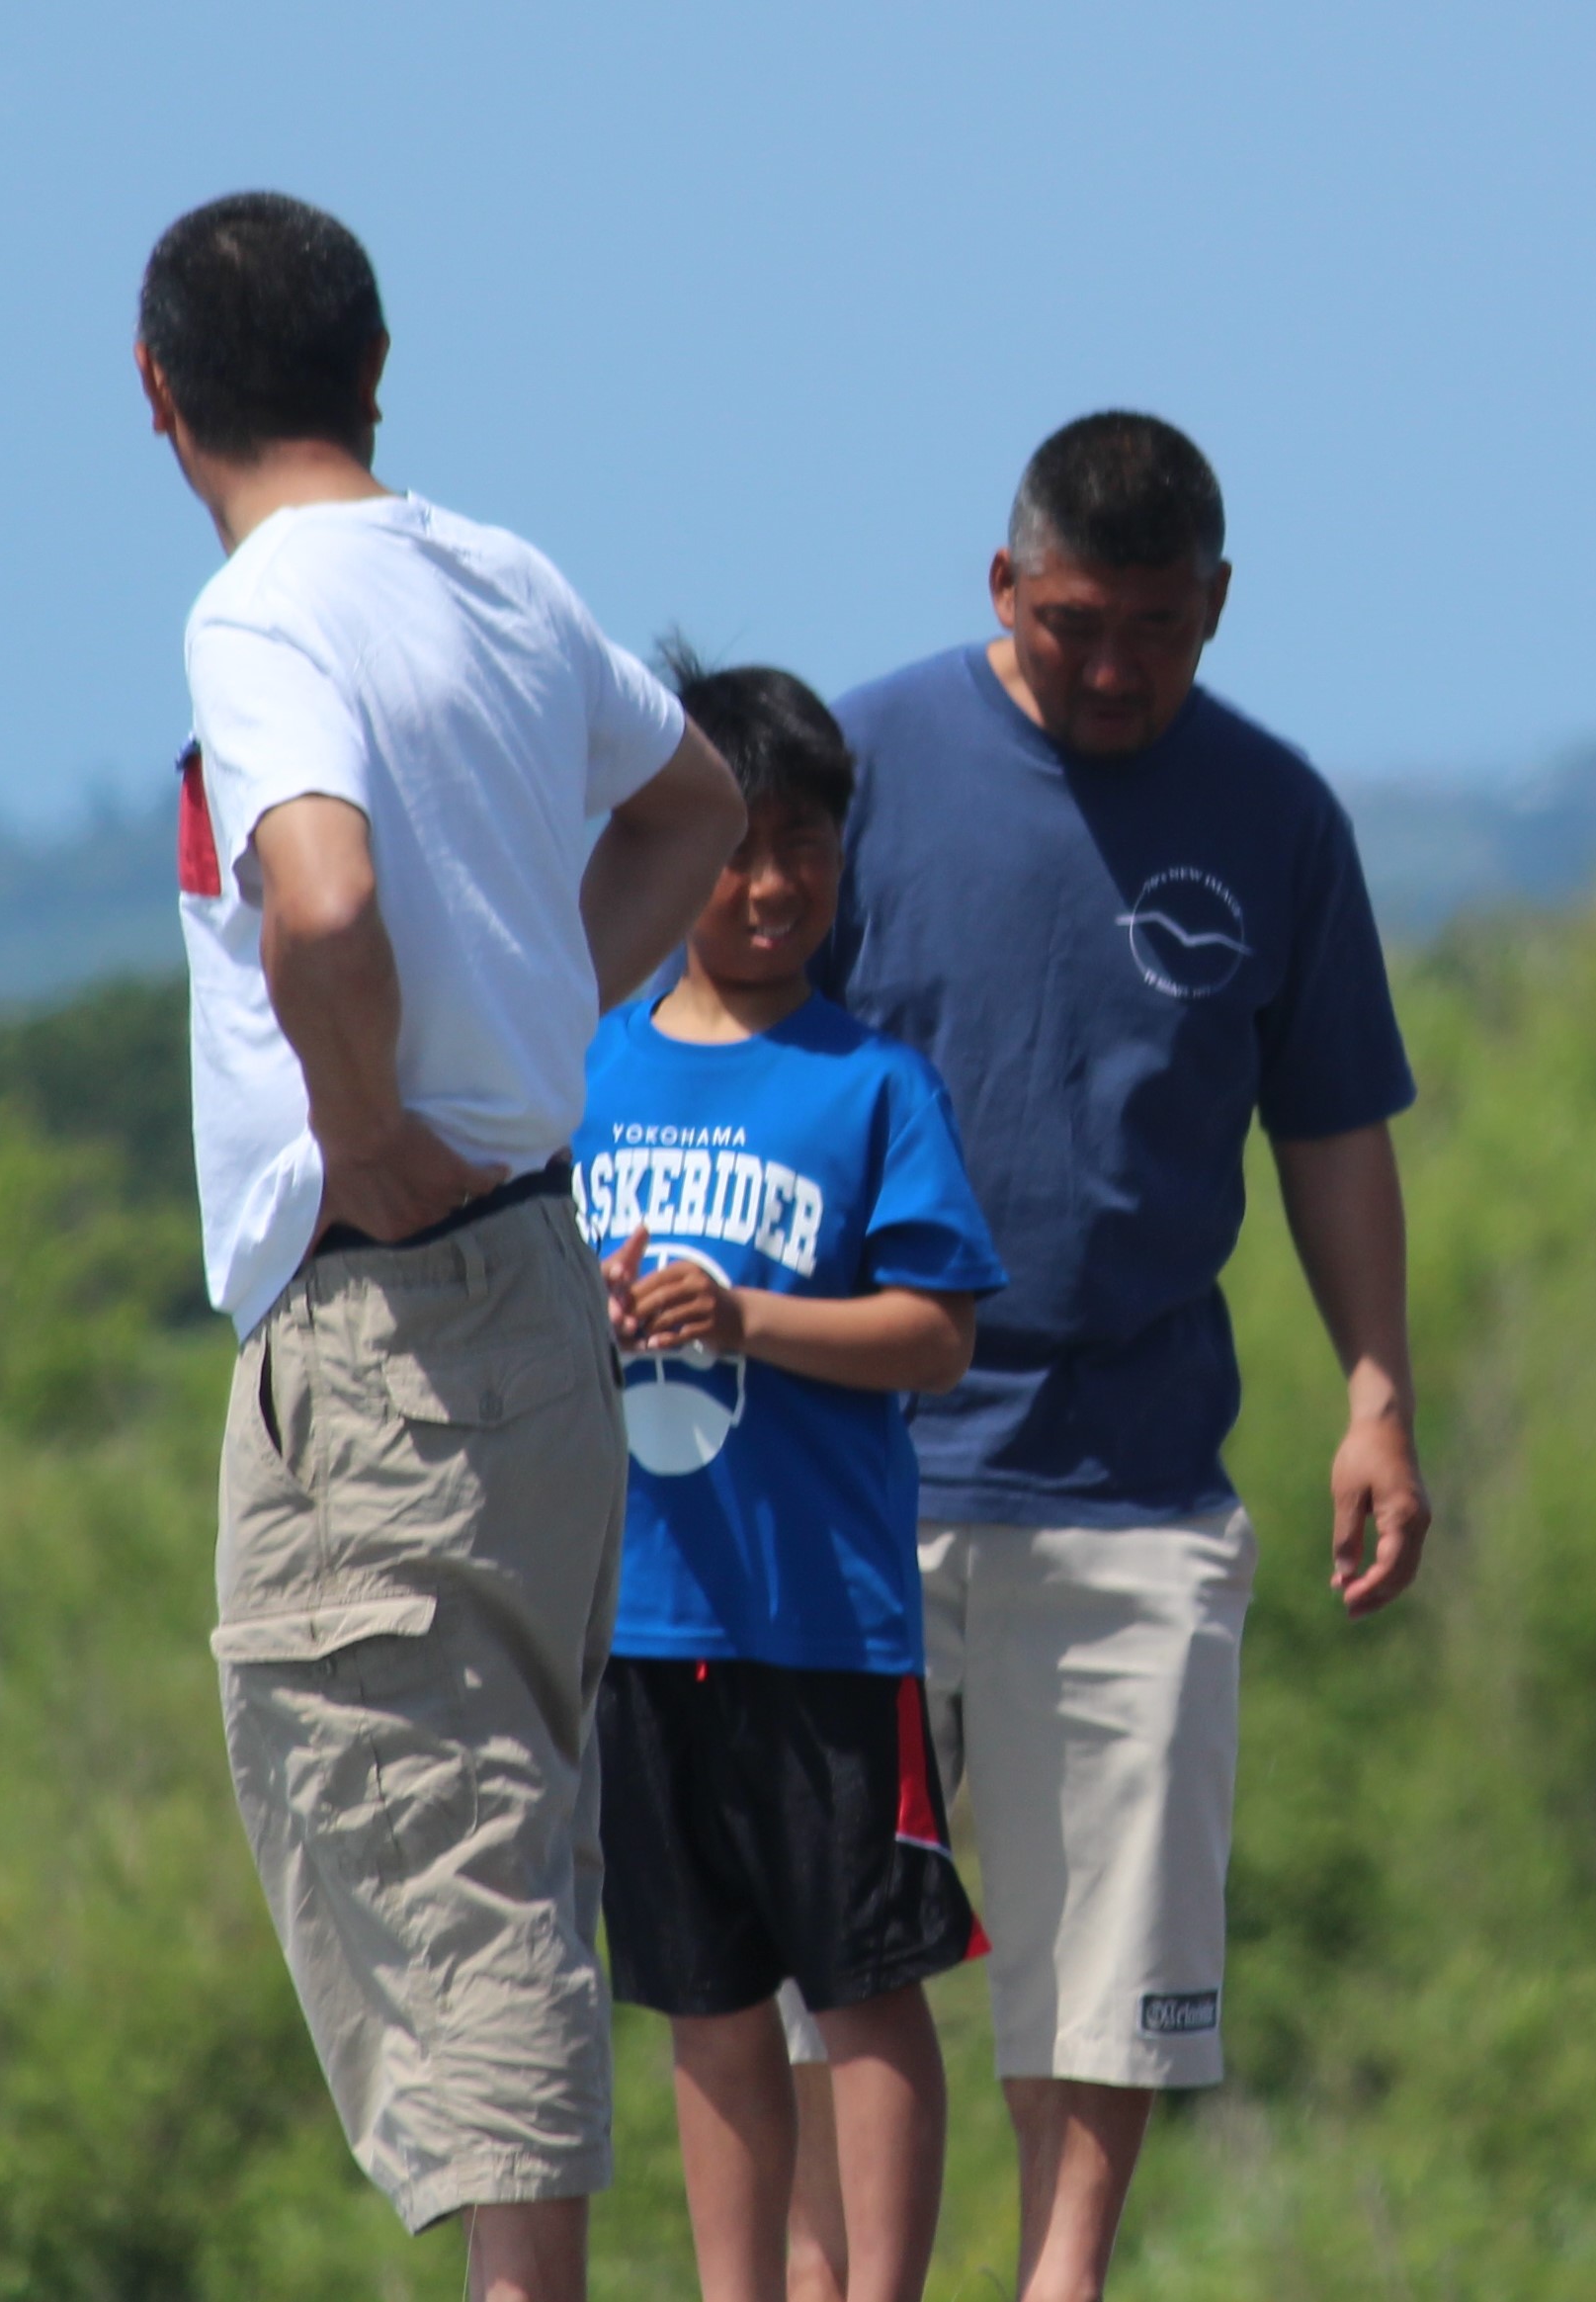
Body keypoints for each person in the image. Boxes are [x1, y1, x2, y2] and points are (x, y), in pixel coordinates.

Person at [143, 190, 745, 2302]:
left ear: (161, 401)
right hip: (533, 1288)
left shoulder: (261, 614)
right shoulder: (496, 572)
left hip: (392, 1316)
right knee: (502, 1848)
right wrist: (527, 1031)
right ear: (375, 373)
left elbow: (316, 897)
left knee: (453, 1869)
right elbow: (694, 802)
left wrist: (371, 1115)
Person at [805, 408, 1433, 2302]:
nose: (1111, 667)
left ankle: (1060, 2280)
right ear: (1003, 586)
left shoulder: (1276, 817)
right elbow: (731, 1056)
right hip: (852, 1476)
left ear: (1217, 607)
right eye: (1074, 621)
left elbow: (1328, 1123)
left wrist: (1376, 1393)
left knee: (1117, 1960)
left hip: (1137, 1479)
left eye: (1154, 626)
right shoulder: (857, 769)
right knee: (844, 1949)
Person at [574, 651, 1008, 2302]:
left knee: (865, 1985)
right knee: (703, 1998)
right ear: (660, 846)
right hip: (644, 1619)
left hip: (828, 1626)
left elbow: (937, 1333)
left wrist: (745, 1311)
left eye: (806, 845)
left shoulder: (871, 1081)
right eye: (735, 845)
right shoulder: (586, 1066)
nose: (769, 884)